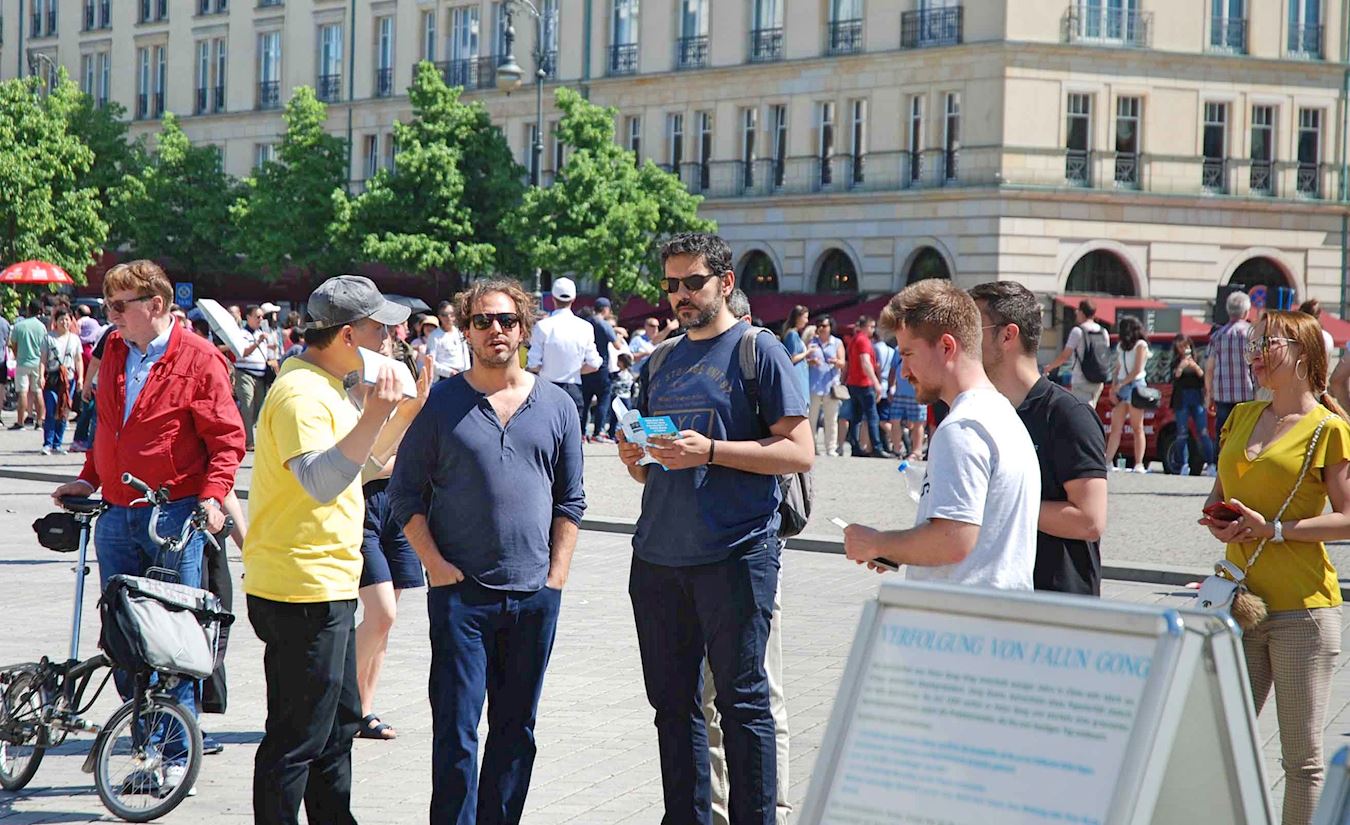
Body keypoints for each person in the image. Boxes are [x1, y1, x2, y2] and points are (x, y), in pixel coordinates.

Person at [617, 232, 812, 825]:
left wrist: (710, 451)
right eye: (671, 284)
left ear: (725, 283)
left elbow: (799, 451)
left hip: (736, 553)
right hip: (658, 555)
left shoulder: (758, 349)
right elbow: (653, 469)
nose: (680, 294)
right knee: (673, 708)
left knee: (743, 704)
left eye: (693, 282)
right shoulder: (661, 359)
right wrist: (635, 457)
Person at [388, 279, 585, 824]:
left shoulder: (558, 405)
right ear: (467, 331)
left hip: (534, 596)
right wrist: (435, 567)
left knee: (516, 731)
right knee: (456, 730)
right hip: (461, 597)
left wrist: (556, 577)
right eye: (482, 321)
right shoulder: (441, 405)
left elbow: (571, 500)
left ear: (524, 329)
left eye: (506, 320)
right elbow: (404, 494)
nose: (495, 330)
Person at [50, 260, 245, 781]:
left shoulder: (200, 358)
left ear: (156, 305)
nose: (110, 315)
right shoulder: (115, 348)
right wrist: (88, 479)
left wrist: (212, 498)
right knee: (124, 635)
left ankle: (173, 758)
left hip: (174, 514)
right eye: (107, 305)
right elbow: (109, 428)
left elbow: (227, 441)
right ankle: (145, 746)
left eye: (119, 305)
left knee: (172, 637)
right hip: (117, 513)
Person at [244, 275, 411, 825]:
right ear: (348, 336)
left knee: (338, 727)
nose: (389, 339)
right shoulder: (301, 393)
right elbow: (319, 481)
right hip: (300, 589)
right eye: (379, 328)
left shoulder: (327, 384)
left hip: (325, 583)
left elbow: (357, 469)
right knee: (297, 738)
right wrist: (375, 414)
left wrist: (403, 414)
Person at [1198, 309, 1350, 825]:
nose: (1255, 354)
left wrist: (1275, 530)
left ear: (1304, 354)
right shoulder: (1241, 417)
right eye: (1253, 344)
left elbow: (1347, 518)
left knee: (1301, 761)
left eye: (1268, 344)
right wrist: (1219, 520)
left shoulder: (1328, 429)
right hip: (1238, 607)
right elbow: (1219, 495)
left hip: (1302, 613)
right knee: (1217, 747)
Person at [842, 279, 1038, 589]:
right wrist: (899, 550)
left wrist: (876, 543)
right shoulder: (1002, 414)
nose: (904, 371)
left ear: (947, 347)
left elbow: (953, 540)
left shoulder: (962, 427)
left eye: (908, 354)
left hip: (961, 613)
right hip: (995, 610)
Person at [970, 282, 1109, 595]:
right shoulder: (984, 411)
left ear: (1008, 335)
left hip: (1056, 605)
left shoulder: (1068, 415)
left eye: (974, 329)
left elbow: (1089, 520)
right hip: (998, 597)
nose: (965, 340)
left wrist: (997, 503)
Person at [353, 348, 434, 742]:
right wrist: (402, 461)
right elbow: (361, 467)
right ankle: (335, 698)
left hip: (400, 510)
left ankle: (363, 710)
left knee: (385, 623)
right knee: (381, 614)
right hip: (363, 510)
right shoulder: (355, 397)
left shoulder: (409, 404)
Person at [527, 277, 602, 427]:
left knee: (546, 434)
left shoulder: (542, 326)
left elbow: (533, 364)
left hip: (546, 388)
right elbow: (594, 364)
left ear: (553, 299)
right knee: (572, 436)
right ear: (573, 299)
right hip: (573, 388)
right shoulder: (585, 327)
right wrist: (575, 371)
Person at [1103, 315, 1150, 473]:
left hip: (1136, 385)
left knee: (1137, 427)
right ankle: (1108, 461)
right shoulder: (1121, 346)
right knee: (1116, 427)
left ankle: (1139, 463)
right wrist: (1113, 386)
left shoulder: (1141, 345)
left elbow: (1137, 369)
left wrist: (1120, 384)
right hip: (1122, 384)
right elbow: (1117, 368)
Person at [1206, 289, 1256, 438]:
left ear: (1228, 311)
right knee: (1245, 437)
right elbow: (1256, 364)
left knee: (1224, 438)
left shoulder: (1217, 336)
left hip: (1222, 395)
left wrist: (1209, 394)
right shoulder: (1251, 334)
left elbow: (1209, 368)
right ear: (1246, 312)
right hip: (1246, 394)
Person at [1044, 298, 1110, 405]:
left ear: (1082, 312)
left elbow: (1065, 356)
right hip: (1098, 380)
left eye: (1078, 310)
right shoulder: (1104, 332)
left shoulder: (1078, 331)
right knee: (1091, 409)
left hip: (1081, 380)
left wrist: (1050, 367)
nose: (1076, 312)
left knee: (1083, 411)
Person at [1170, 334, 1216, 476]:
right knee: (1182, 433)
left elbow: (1204, 377)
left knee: (1203, 432)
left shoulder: (1198, 358)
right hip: (1181, 397)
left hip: (1196, 397)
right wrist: (1182, 365)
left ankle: (1211, 464)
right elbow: (1174, 377)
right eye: (1180, 347)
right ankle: (1183, 464)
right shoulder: (1175, 361)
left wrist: (1194, 366)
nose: (1184, 349)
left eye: (1186, 346)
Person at [843, 315, 889, 457]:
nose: (873, 330)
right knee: (872, 416)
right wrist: (876, 383)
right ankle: (876, 447)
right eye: (871, 327)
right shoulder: (863, 340)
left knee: (856, 417)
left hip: (853, 382)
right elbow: (865, 362)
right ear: (865, 327)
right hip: (864, 383)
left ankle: (855, 446)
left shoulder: (854, 340)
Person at [41, 308, 83, 455]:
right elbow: (43, 359)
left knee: (64, 411)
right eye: (61, 319)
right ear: (55, 321)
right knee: (51, 409)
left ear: (71, 321)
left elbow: (78, 359)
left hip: (68, 379)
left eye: (67, 319)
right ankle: (48, 443)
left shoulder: (75, 339)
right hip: (52, 377)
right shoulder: (48, 337)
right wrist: (41, 376)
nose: (64, 322)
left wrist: (80, 378)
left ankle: (57, 444)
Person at [805, 316, 846, 456]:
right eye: (819, 326)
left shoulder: (837, 342)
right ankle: (811, 447)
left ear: (830, 327)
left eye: (824, 326)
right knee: (811, 418)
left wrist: (835, 362)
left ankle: (831, 448)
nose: (822, 328)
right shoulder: (812, 342)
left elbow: (843, 362)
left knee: (831, 419)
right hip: (814, 385)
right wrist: (811, 361)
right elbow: (805, 359)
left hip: (831, 385)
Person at [581, 296, 619, 442]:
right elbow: (617, 345)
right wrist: (618, 334)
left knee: (585, 401)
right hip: (601, 367)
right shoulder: (604, 324)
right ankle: (598, 432)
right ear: (605, 309)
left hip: (585, 367)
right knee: (603, 400)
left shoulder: (585, 323)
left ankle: (582, 432)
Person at [234, 305, 271, 450]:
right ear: (248, 317)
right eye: (257, 316)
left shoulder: (262, 333)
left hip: (261, 375)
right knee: (247, 406)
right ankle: (248, 441)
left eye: (262, 317)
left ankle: (244, 431)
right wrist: (258, 342)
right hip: (245, 373)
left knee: (259, 408)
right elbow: (243, 352)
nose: (260, 319)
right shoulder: (242, 334)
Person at [11, 300, 48, 431]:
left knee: (22, 392)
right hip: (37, 363)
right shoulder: (41, 327)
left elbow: (13, 345)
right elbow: (45, 346)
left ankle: (20, 422)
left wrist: (17, 356)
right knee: (38, 392)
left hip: (22, 362)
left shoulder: (19, 326)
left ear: (28, 309)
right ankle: (40, 421)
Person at [888, 350, 927, 461]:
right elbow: (893, 369)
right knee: (895, 420)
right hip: (899, 392)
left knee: (918, 422)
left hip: (917, 392)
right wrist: (891, 387)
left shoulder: (922, 348)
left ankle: (917, 451)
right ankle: (896, 450)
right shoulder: (898, 349)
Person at [428, 300, 471, 382]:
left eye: (451, 314)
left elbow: (465, 355)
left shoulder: (459, 332)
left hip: (462, 375)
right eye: (444, 315)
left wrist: (468, 373)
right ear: (439, 317)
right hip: (444, 377)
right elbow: (430, 361)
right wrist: (449, 372)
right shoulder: (434, 336)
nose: (448, 317)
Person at [781, 305, 812, 405]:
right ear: (798, 317)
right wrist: (807, 352)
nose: (807, 321)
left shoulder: (794, 334)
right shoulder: (792, 335)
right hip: (798, 377)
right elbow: (792, 358)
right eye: (805, 317)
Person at [872, 327, 896, 454]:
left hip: (879, 384)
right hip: (888, 385)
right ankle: (888, 443)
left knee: (881, 419)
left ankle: (899, 439)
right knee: (884, 417)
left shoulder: (875, 348)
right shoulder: (891, 351)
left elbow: (877, 367)